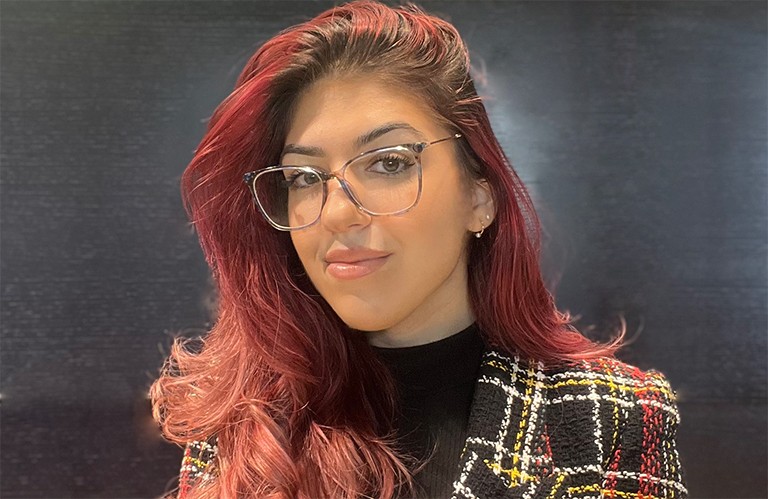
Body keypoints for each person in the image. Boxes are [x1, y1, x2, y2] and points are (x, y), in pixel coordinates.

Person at [150, 1, 687, 498]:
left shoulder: (605, 417)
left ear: (479, 197)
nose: (337, 212)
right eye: (303, 177)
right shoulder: (243, 421)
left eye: (389, 163)